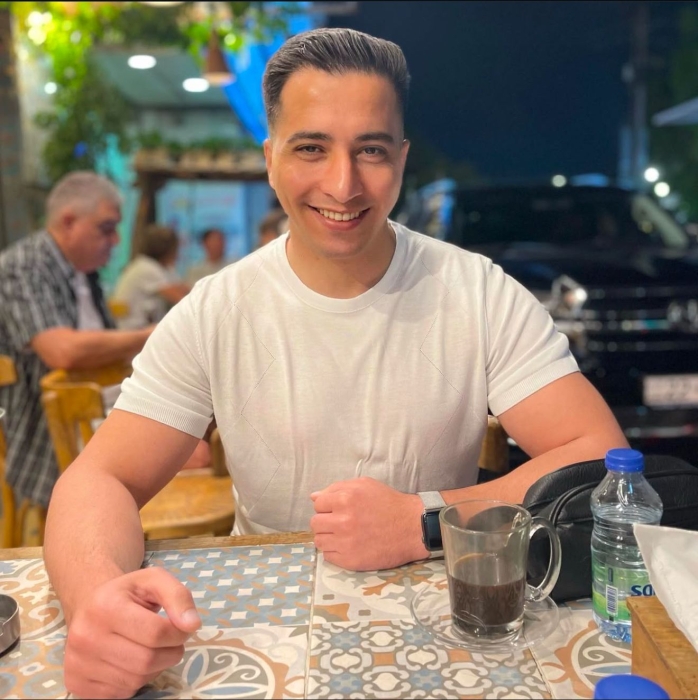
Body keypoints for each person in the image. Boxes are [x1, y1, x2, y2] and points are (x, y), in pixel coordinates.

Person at [44, 29, 628, 698]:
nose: (343, 184)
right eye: (311, 148)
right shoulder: (217, 309)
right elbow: (99, 479)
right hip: (263, 630)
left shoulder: (478, 291)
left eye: (371, 150)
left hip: (450, 623)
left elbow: (599, 454)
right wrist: (96, 599)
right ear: (271, 159)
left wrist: (424, 519)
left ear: (401, 160)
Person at [0, 171, 154, 512]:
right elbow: (62, 352)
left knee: (196, 437)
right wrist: (148, 336)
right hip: (46, 432)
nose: (115, 240)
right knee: (185, 451)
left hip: (98, 412)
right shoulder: (23, 266)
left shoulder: (83, 271)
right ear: (68, 222)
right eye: (106, 228)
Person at [112, 224, 190, 330]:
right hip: (133, 330)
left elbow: (184, 288)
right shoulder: (146, 267)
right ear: (167, 249)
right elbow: (181, 299)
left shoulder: (163, 268)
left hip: (145, 328)